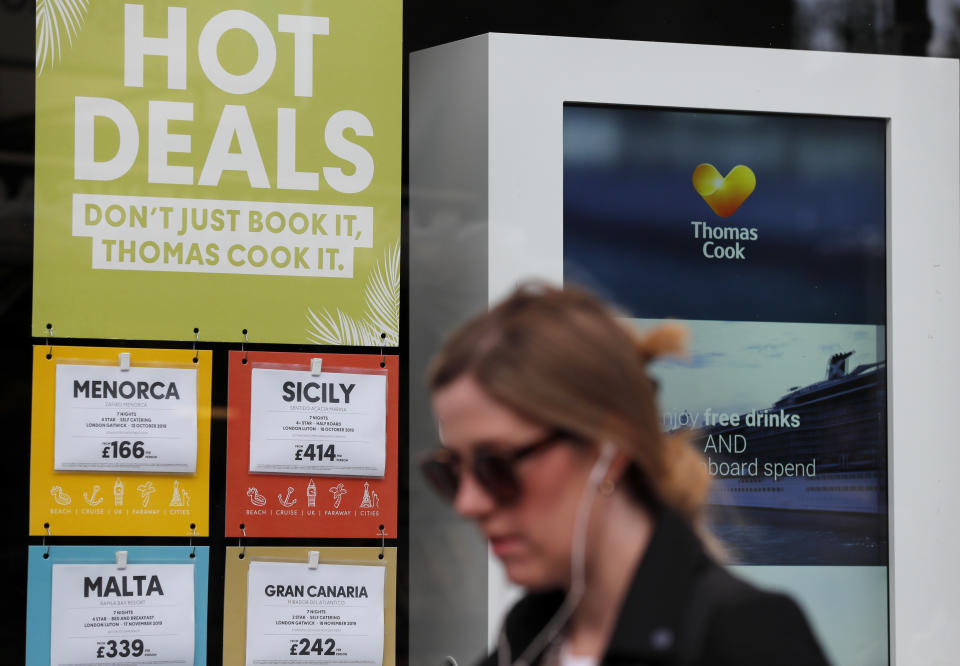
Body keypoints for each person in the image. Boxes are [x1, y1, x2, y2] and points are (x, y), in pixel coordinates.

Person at [420, 283, 830, 666]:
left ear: (608, 446)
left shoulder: (749, 638)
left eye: (496, 466)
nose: (467, 502)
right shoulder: (526, 636)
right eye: (450, 473)